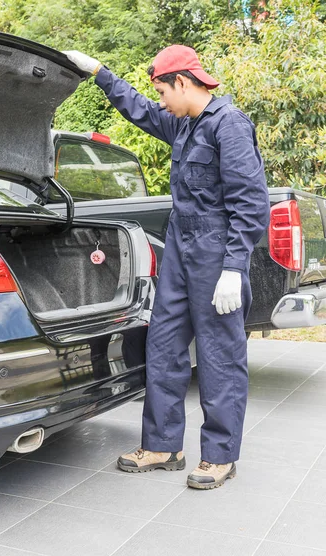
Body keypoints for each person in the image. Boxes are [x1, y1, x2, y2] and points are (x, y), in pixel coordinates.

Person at [63, 45, 270, 490]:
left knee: (218, 355)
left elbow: (250, 205)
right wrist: (99, 70)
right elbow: (136, 108)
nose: (159, 100)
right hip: (180, 244)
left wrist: (234, 266)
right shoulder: (182, 124)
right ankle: (162, 445)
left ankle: (219, 456)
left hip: (216, 250)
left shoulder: (228, 126)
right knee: (164, 343)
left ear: (182, 82)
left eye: (162, 90)